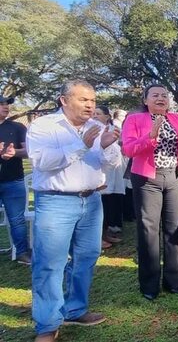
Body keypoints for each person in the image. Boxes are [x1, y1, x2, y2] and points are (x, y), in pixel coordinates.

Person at [27, 80, 121, 342]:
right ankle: (47, 325)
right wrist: (81, 145)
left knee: (87, 256)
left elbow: (113, 163)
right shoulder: (43, 126)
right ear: (64, 100)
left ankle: (75, 308)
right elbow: (42, 162)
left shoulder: (97, 127)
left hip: (91, 201)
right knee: (50, 263)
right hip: (56, 202)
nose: (90, 105)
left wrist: (106, 146)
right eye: (83, 99)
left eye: (92, 100)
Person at [121, 84, 178, 300]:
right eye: (155, 95)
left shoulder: (177, 119)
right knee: (149, 230)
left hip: (174, 177)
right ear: (145, 100)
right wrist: (150, 136)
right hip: (147, 179)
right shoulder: (135, 120)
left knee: (174, 229)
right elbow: (127, 149)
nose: (161, 98)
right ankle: (149, 285)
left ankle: (174, 282)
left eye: (164, 95)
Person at [0, 95, 30, 264]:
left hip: (13, 181)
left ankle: (23, 252)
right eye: (1, 104)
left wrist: (14, 153)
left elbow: (27, 151)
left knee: (17, 219)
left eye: (7, 104)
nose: (6, 107)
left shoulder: (17, 127)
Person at [93, 105, 126, 249]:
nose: (94, 116)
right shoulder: (91, 131)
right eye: (93, 114)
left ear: (107, 117)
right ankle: (97, 238)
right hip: (98, 173)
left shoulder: (114, 130)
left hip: (113, 172)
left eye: (98, 114)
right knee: (99, 205)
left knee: (108, 203)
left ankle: (105, 233)